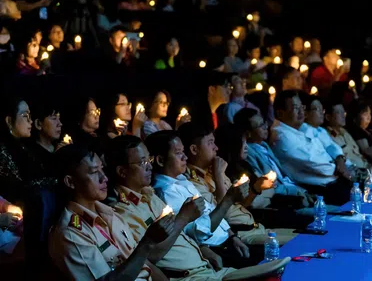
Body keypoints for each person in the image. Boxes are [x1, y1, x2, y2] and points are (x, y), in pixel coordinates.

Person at [49, 144, 169, 280]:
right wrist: (147, 243)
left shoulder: (109, 213)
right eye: (94, 172)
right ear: (70, 182)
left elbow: (145, 264)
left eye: (102, 169)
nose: (104, 178)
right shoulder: (72, 234)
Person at [178, 123, 296, 252]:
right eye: (210, 143)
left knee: (303, 235)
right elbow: (224, 214)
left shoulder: (214, 170)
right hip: (241, 235)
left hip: (257, 228)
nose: (216, 148)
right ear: (194, 150)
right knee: (298, 242)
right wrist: (218, 177)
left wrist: (255, 189)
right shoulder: (192, 183)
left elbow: (240, 205)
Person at [146, 130, 257, 268]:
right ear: (161, 160)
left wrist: (231, 236)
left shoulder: (182, 180)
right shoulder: (166, 192)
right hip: (215, 250)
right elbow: (198, 233)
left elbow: (210, 209)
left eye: (183, 152)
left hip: (229, 241)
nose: (185, 157)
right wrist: (229, 199)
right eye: (178, 153)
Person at [270, 90, 353, 205]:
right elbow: (315, 164)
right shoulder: (282, 136)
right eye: (295, 108)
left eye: (301, 107)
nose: (301, 111)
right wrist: (340, 169)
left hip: (337, 179)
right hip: (321, 191)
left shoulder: (303, 127)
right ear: (280, 114)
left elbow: (329, 145)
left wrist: (339, 158)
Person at [233, 108, 314, 212]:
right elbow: (268, 186)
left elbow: (283, 177)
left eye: (264, 123)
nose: (266, 127)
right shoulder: (248, 153)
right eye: (260, 126)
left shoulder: (264, 145)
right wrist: (298, 192)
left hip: (294, 190)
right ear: (248, 133)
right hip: (283, 199)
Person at [0, 96, 56, 204]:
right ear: (9, 120)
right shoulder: (3, 152)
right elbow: (21, 186)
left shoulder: (25, 148)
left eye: (30, 116)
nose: (30, 121)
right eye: (25, 115)